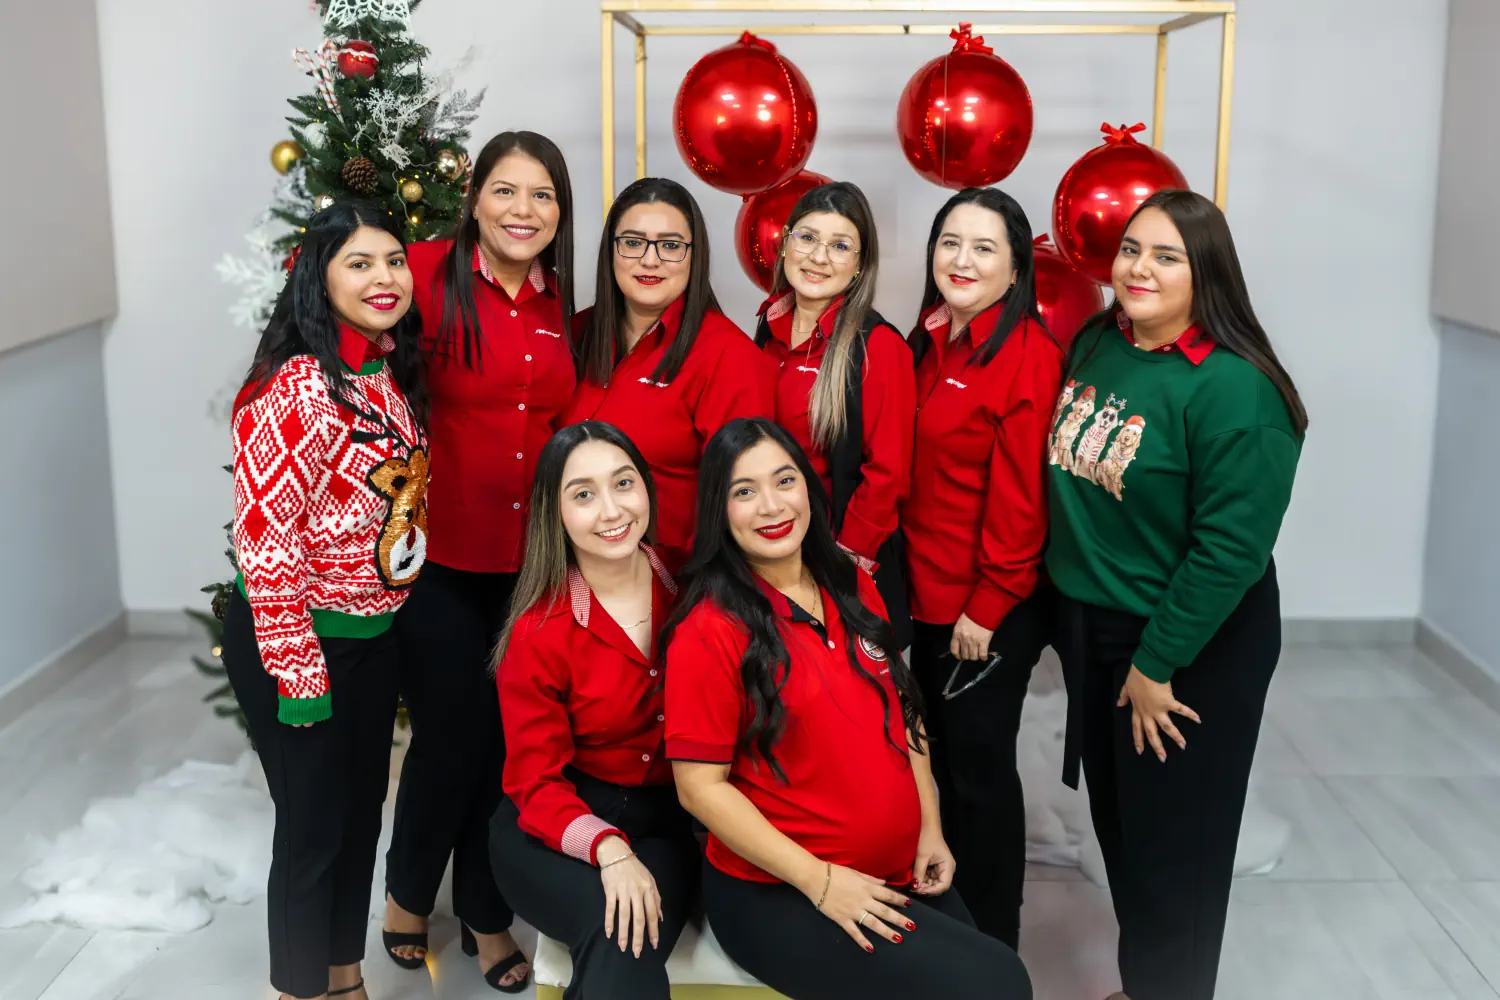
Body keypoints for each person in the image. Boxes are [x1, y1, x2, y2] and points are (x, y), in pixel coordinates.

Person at [664, 418, 1032, 1000]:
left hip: (894, 869)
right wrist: (821, 882)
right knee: (999, 985)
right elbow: (698, 790)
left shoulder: (849, 582)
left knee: (994, 971)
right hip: (782, 890)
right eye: (744, 491)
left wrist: (929, 827)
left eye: (785, 480)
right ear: (719, 510)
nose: (771, 505)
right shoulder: (709, 629)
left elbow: (902, 710)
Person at [1046, 189, 1306, 1000]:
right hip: (1102, 631)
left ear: (1208, 274)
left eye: (1167, 256)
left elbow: (1230, 552)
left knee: (1176, 857)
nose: (1140, 268)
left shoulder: (1237, 390)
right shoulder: (1100, 342)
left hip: (1190, 644)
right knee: (1126, 838)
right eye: (1131, 249)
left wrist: (1157, 663)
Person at [382, 130, 577, 991]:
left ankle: (487, 915)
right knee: (449, 739)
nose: (522, 210)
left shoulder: (559, 301)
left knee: (509, 747)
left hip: (530, 565)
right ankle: (407, 896)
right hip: (438, 558)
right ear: (474, 199)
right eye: (506, 190)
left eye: (542, 195)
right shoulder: (423, 271)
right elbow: (324, 295)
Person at [224, 200, 430, 1000]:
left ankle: (344, 978)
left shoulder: (380, 372)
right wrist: (301, 679)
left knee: (358, 816)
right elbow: (267, 544)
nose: (385, 278)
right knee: (312, 833)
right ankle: (299, 990)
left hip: (370, 638)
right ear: (319, 275)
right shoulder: (297, 386)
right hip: (298, 644)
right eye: (360, 263)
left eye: (394, 260)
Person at [900, 187, 1063, 948]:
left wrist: (990, 604)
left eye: (984, 247)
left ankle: (994, 946)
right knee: (931, 765)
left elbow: (1024, 501)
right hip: (925, 596)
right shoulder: (931, 337)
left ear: (1016, 268)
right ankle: (947, 927)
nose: (961, 260)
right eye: (949, 242)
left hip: (982, 610)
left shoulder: (1027, 355)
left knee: (978, 774)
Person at [488, 421, 698, 1000]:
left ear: (646, 487)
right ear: (554, 513)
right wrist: (609, 849)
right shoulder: (539, 630)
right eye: (583, 494)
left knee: (627, 935)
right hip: (554, 821)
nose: (611, 510)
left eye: (624, 483)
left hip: (666, 821)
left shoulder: (695, 585)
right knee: (615, 930)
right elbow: (534, 782)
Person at [563, 176, 772, 572]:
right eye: (633, 242)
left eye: (671, 246)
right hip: (569, 574)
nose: (650, 260)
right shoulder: (575, 334)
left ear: (695, 257)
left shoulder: (729, 356)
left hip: (672, 582)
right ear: (611, 250)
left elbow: (742, 500)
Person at [751, 180, 916, 649]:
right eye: (807, 238)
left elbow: (887, 476)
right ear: (786, 244)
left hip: (832, 564)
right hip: (766, 552)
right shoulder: (767, 328)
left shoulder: (878, 346)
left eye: (840, 246)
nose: (818, 257)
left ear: (860, 264)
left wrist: (839, 568)